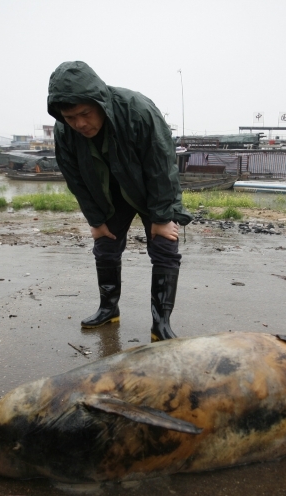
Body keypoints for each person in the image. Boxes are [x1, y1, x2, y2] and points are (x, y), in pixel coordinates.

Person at [47, 61, 193, 342]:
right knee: (105, 245)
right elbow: (74, 178)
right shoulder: (64, 130)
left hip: (151, 188)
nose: (79, 124)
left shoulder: (137, 110)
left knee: (165, 245)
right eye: (70, 117)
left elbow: (161, 165)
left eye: (85, 114)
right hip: (108, 193)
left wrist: (162, 217)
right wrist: (95, 220)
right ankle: (108, 309)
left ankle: (161, 323)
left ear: (99, 102)